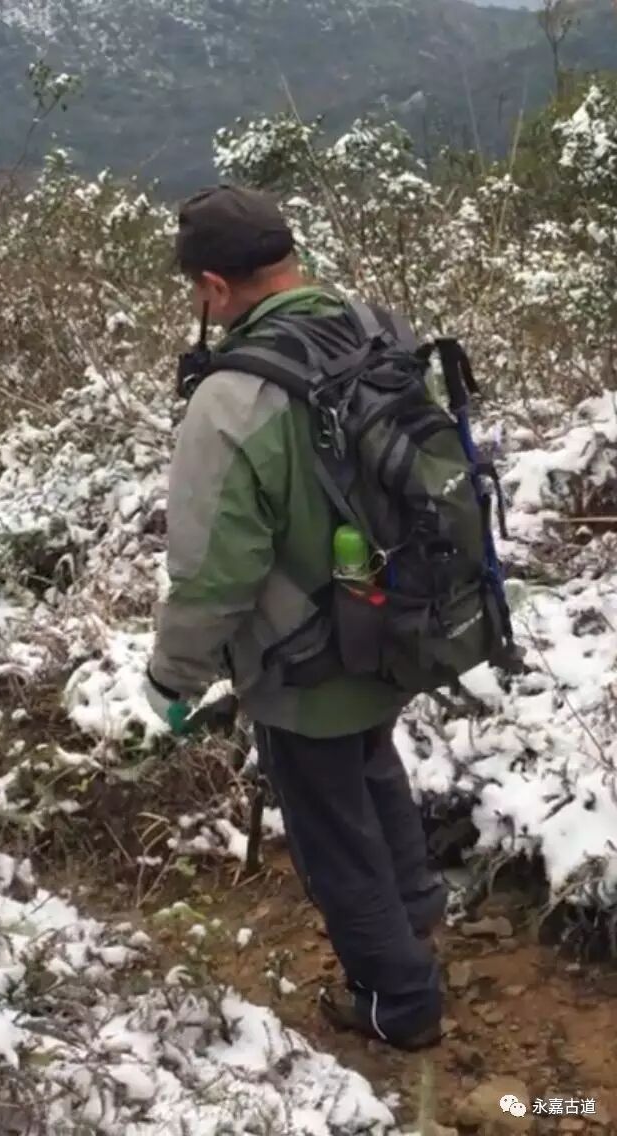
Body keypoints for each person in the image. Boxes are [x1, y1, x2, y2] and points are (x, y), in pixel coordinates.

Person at [145, 184, 446, 1049]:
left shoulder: (233, 399)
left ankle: (401, 1004)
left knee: (331, 837)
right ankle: (419, 916)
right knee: (373, 764)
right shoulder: (367, 326)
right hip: (391, 622)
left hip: (302, 658)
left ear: (213, 285)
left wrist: (173, 676)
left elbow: (214, 573)